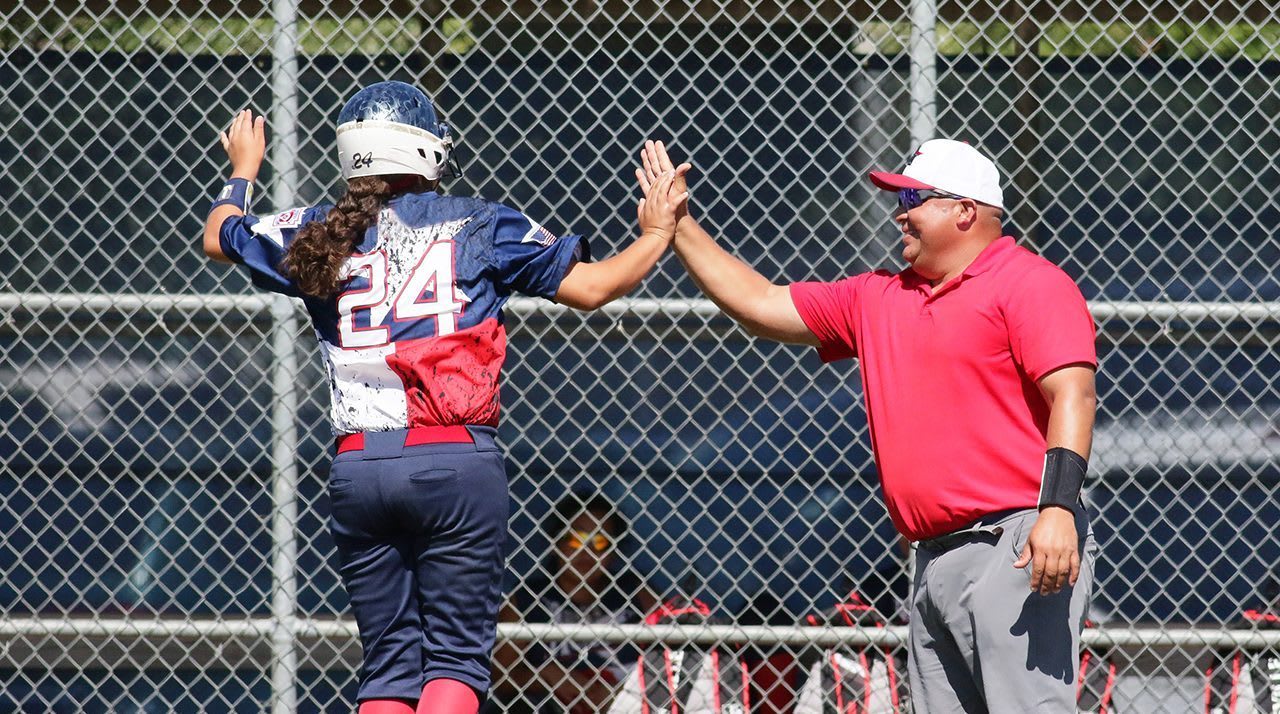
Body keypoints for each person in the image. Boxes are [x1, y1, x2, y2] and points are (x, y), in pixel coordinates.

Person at [200, 82, 686, 714]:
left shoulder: (319, 230)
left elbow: (220, 236)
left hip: (360, 467)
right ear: (428, 152)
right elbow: (596, 288)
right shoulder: (480, 221)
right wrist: (655, 234)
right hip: (453, 461)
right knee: (455, 661)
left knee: (389, 668)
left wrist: (242, 173)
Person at [636, 138, 1100, 712]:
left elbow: (1073, 394)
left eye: (913, 197)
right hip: (933, 556)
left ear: (965, 210)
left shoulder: (1030, 282)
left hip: (1017, 542)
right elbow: (758, 301)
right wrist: (677, 226)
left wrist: (1056, 509)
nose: (899, 210)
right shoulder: (877, 296)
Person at [488, 493, 658, 713]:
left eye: (600, 542)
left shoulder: (635, 591)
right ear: (556, 542)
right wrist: (546, 674)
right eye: (576, 539)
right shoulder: (529, 598)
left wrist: (626, 690)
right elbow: (500, 678)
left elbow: (670, 661)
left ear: (613, 551)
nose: (587, 551)